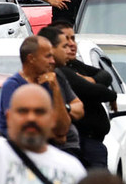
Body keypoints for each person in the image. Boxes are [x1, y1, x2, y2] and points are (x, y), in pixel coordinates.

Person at [40, 24, 107, 166]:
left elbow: (78, 109)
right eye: (64, 46)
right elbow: (60, 133)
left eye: (73, 39)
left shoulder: (59, 74)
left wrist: (66, 107)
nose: (70, 47)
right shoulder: (41, 80)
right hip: (64, 152)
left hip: (76, 150)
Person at [0, 35, 77, 142]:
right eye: (48, 56)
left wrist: (56, 89)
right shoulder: (13, 86)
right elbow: (20, 128)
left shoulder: (47, 83)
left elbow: (62, 129)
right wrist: (54, 135)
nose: (52, 61)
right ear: (31, 58)